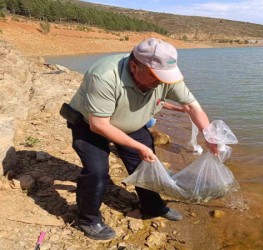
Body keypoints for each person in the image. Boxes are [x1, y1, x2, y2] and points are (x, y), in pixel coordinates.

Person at [64, 38, 218, 240]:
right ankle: (88, 219)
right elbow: (99, 124)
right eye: (156, 77)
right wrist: (137, 146)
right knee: (97, 171)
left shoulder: (166, 78)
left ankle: (152, 205)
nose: (161, 82)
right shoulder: (104, 76)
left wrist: (209, 135)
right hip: (90, 125)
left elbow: (192, 106)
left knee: (147, 165)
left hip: (132, 124)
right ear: (135, 66)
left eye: (165, 77)